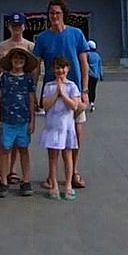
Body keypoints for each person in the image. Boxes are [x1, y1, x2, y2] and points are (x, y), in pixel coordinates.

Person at [32, 0, 89, 190]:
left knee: (76, 133)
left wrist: (85, 90)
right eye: (51, 13)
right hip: (52, 91)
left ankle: (73, 173)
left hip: (74, 92)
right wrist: (33, 92)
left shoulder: (76, 34)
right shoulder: (42, 38)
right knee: (55, 135)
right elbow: (36, 67)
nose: (54, 16)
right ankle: (52, 176)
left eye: (57, 12)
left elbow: (84, 63)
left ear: (64, 14)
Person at [0, 12, 38, 187]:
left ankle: (13, 170)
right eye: (14, 26)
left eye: (20, 26)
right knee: (3, 138)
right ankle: (0, 171)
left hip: (23, 101)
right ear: (9, 27)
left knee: (21, 140)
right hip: (6, 99)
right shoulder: (2, 46)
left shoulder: (30, 46)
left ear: (24, 27)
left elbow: (34, 73)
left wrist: (35, 97)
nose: (17, 29)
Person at [0, 46, 38, 198]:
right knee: (5, 149)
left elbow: (31, 100)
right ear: (11, 60)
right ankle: (3, 180)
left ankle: (26, 180)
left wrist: (32, 121)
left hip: (23, 120)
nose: (18, 61)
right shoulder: (5, 78)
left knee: (23, 149)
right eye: (15, 58)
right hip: (7, 120)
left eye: (21, 59)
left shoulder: (27, 79)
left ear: (25, 62)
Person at [39, 56, 81, 200]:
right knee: (53, 157)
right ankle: (54, 184)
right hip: (53, 126)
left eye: (63, 68)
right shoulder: (49, 86)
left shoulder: (72, 86)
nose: (60, 71)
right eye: (57, 68)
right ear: (53, 69)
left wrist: (63, 94)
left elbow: (75, 106)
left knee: (67, 155)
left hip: (67, 126)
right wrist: (56, 92)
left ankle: (68, 185)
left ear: (68, 69)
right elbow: (45, 105)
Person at [86, 40, 103, 112]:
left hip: (88, 75)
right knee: (93, 89)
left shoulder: (87, 54)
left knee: (86, 89)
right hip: (95, 76)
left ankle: (84, 103)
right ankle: (92, 103)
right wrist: (101, 75)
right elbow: (100, 66)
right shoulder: (97, 56)